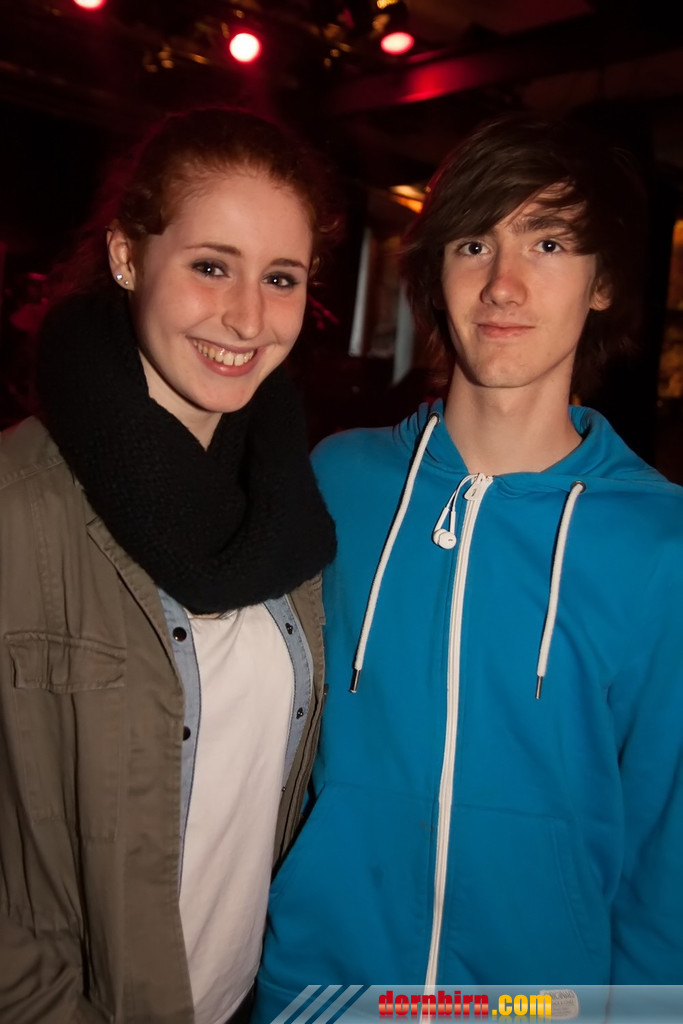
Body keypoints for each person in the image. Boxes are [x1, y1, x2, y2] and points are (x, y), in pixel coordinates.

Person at [252, 111, 683, 1020]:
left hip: (539, 1008)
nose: (502, 284)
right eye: (473, 243)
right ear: (434, 271)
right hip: (319, 995)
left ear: (604, 282)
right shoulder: (338, 480)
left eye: (549, 243)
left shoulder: (659, 542)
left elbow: (667, 852)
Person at [0, 104, 342, 1023]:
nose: (248, 317)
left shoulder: (294, 507)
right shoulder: (16, 504)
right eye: (210, 266)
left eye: (280, 277)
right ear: (126, 255)